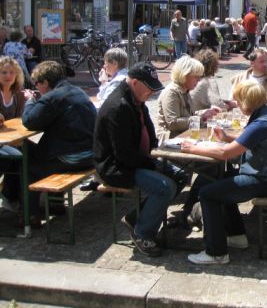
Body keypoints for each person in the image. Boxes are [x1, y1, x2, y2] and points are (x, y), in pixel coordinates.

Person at [181, 81, 267, 265]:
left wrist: (192, 148)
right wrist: (228, 137)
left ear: (246, 101)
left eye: (238, 100)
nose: (236, 103)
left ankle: (216, 253)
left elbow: (224, 153)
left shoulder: (262, 123)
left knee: (207, 194)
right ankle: (237, 236)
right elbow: (249, 138)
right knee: (223, 180)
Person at [94, 62, 186, 257]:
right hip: (116, 167)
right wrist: (153, 163)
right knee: (165, 187)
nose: (152, 93)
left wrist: (155, 153)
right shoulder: (118, 107)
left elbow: (149, 132)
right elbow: (124, 154)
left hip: (135, 160)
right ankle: (143, 233)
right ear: (135, 82)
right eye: (150, 88)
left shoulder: (135, 99)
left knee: (181, 175)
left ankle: (137, 218)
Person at [22, 61, 96, 224]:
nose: (36, 87)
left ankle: (30, 216)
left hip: (73, 158)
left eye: (37, 84)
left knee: (28, 163)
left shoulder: (52, 98)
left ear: (45, 83)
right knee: (45, 153)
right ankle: (55, 204)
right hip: (91, 154)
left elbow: (29, 121)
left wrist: (30, 100)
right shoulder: (78, 91)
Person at [156, 56, 219, 143]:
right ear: (184, 75)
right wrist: (200, 118)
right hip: (170, 141)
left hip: (183, 137)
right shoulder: (171, 92)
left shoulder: (185, 90)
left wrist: (205, 113)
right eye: (196, 77)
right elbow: (173, 123)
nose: (199, 80)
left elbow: (188, 115)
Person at [0, 57, 27, 212]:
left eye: (11, 72)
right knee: (16, 157)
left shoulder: (18, 93)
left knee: (29, 151)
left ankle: (12, 196)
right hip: (3, 141)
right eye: (4, 72)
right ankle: (10, 196)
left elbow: (21, 119)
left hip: (13, 138)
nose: (8, 76)